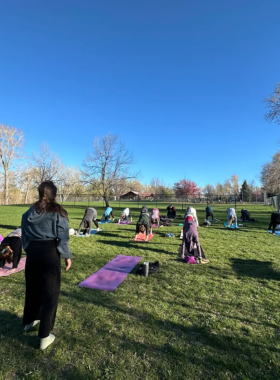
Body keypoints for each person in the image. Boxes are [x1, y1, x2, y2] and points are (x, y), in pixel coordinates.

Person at [21, 181, 72, 350]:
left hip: (33, 254)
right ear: (54, 195)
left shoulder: (28, 213)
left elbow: (25, 238)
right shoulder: (59, 213)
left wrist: (30, 250)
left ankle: (29, 321)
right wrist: (66, 256)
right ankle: (44, 336)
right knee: (50, 294)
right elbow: (63, 237)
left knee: (33, 288)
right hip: (50, 254)